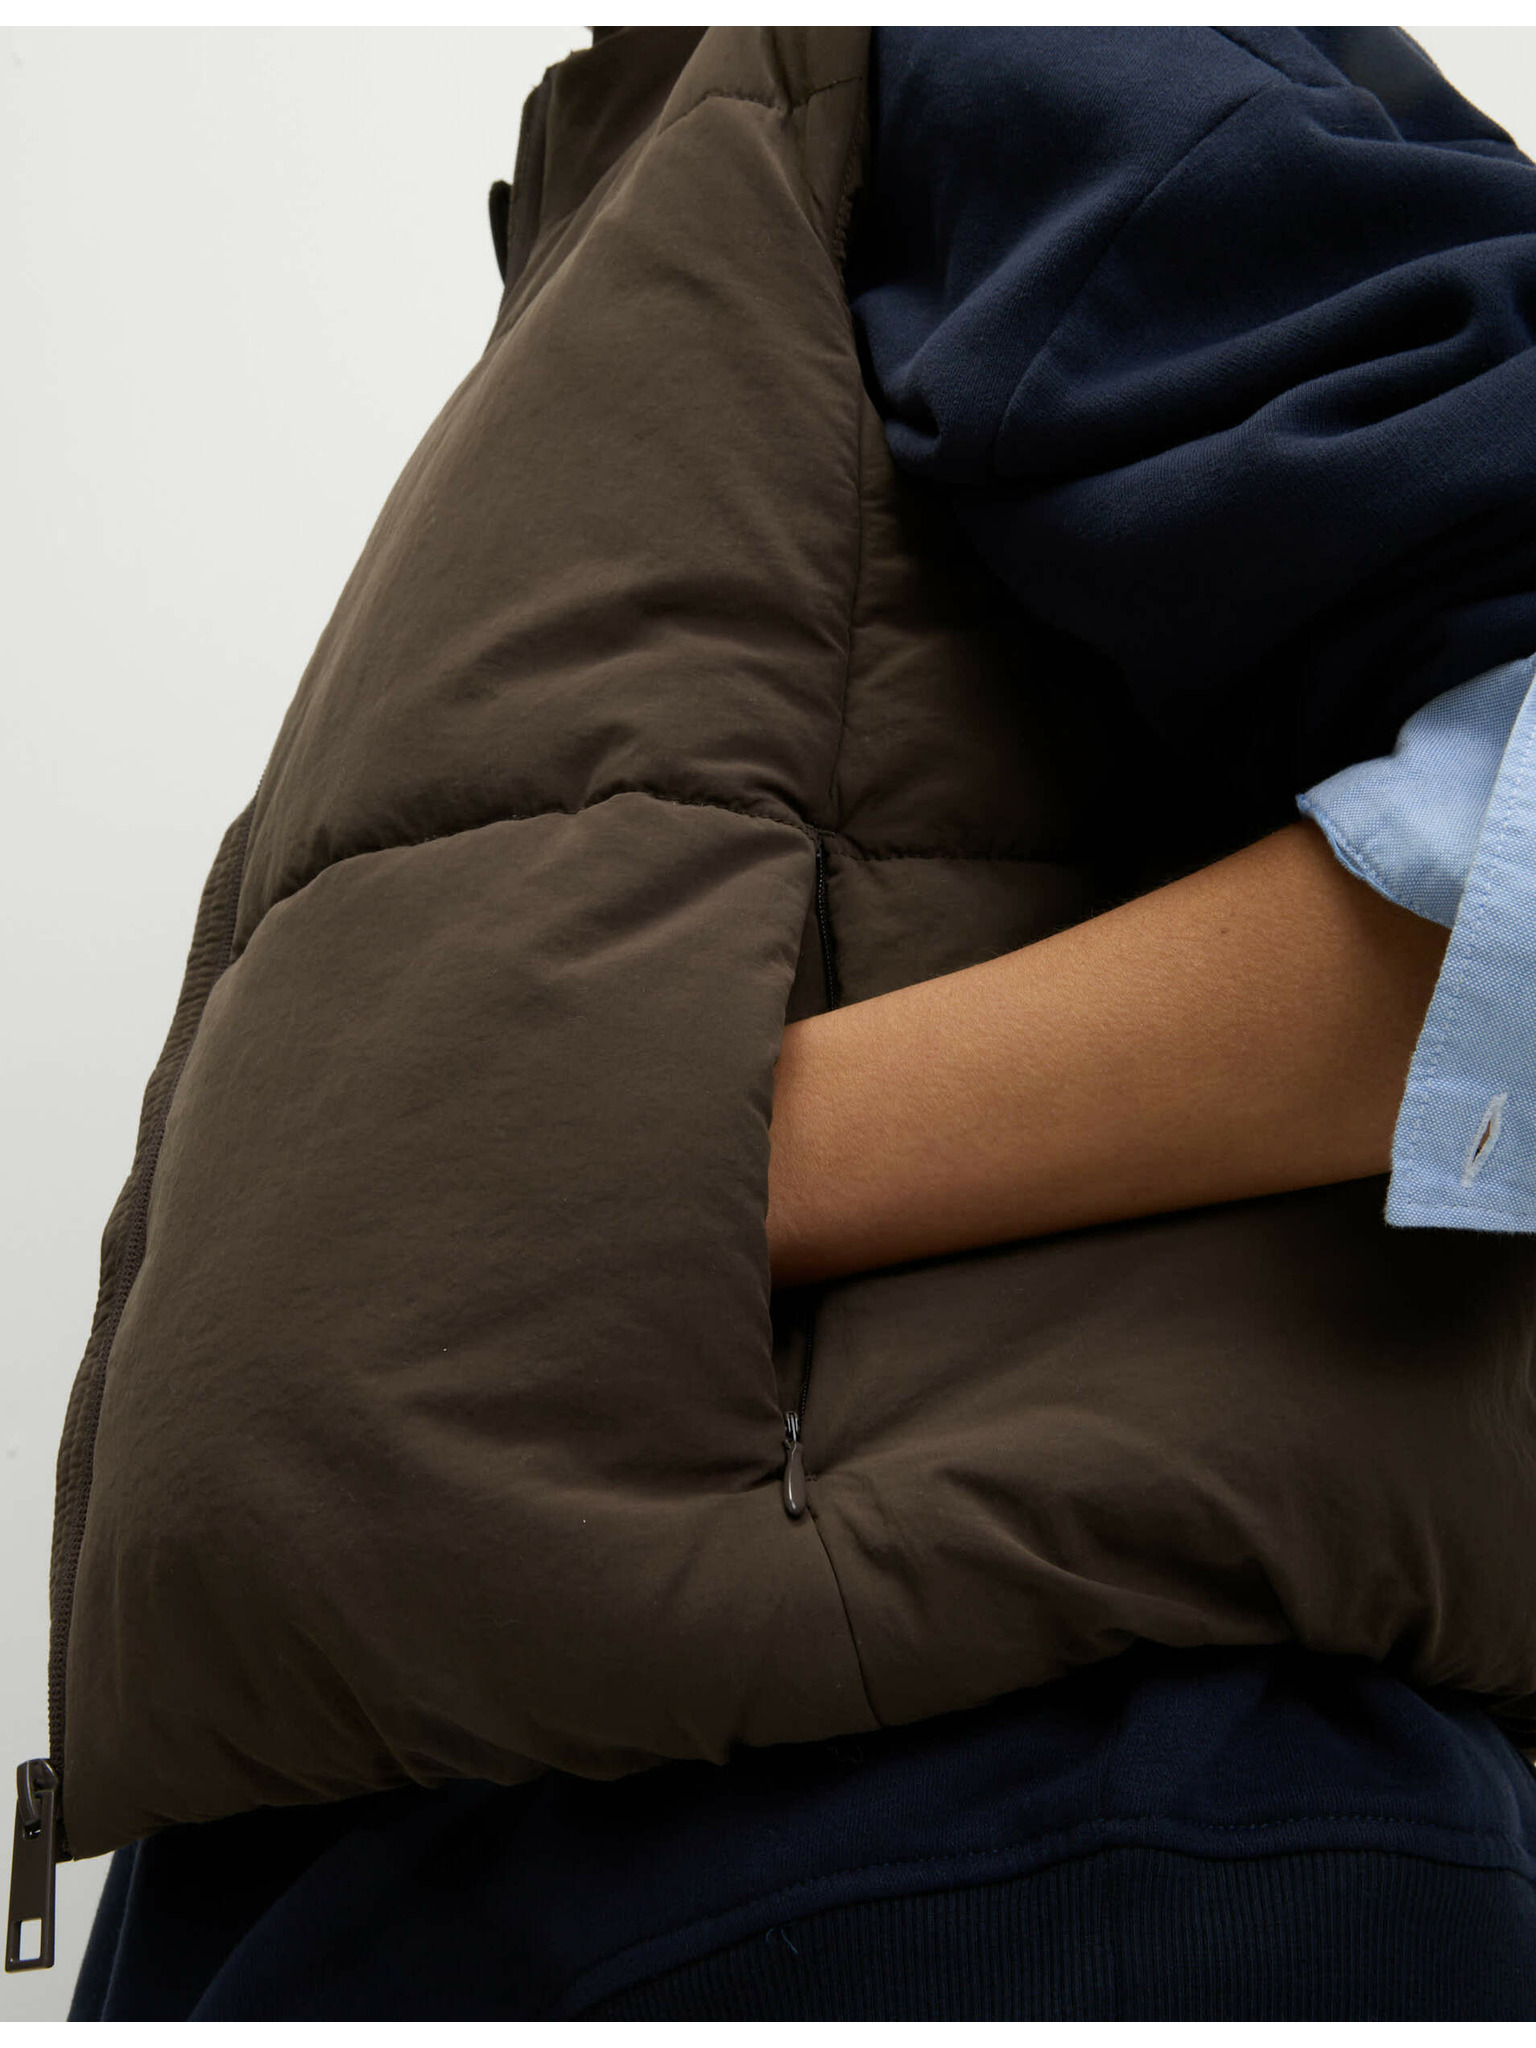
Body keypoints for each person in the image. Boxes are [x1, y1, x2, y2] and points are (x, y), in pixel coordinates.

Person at [24, 26, 1536, 2020]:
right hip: (452, 1843)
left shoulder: (1010, 50)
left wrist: (712, 1162)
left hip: (962, 1804)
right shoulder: (682, 189)